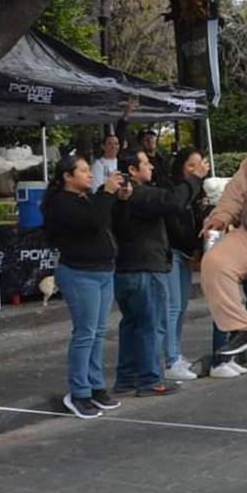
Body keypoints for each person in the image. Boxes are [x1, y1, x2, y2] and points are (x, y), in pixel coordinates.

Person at [112, 147, 206, 397]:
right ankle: (151, 379)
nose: (151, 167)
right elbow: (172, 201)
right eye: (145, 163)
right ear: (131, 170)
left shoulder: (121, 195)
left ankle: (127, 378)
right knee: (151, 325)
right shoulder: (138, 194)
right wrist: (195, 179)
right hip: (145, 268)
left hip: (125, 269)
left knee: (132, 325)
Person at [42, 155, 129, 418]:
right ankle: (79, 392)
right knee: (85, 333)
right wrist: (106, 192)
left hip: (103, 271)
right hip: (80, 273)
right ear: (68, 176)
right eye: (83, 171)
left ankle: (95, 385)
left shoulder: (87, 199)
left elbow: (107, 222)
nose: (90, 175)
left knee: (99, 332)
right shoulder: (61, 203)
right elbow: (93, 222)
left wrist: (117, 198)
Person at [162, 148, 210, 382]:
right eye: (191, 166)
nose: (196, 170)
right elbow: (174, 222)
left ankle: (176, 353)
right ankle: (169, 359)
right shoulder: (175, 189)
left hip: (187, 253)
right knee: (172, 307)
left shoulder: (198, 190)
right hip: (173, 252)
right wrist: (190, 247)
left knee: (180, 307)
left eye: (199, 165)